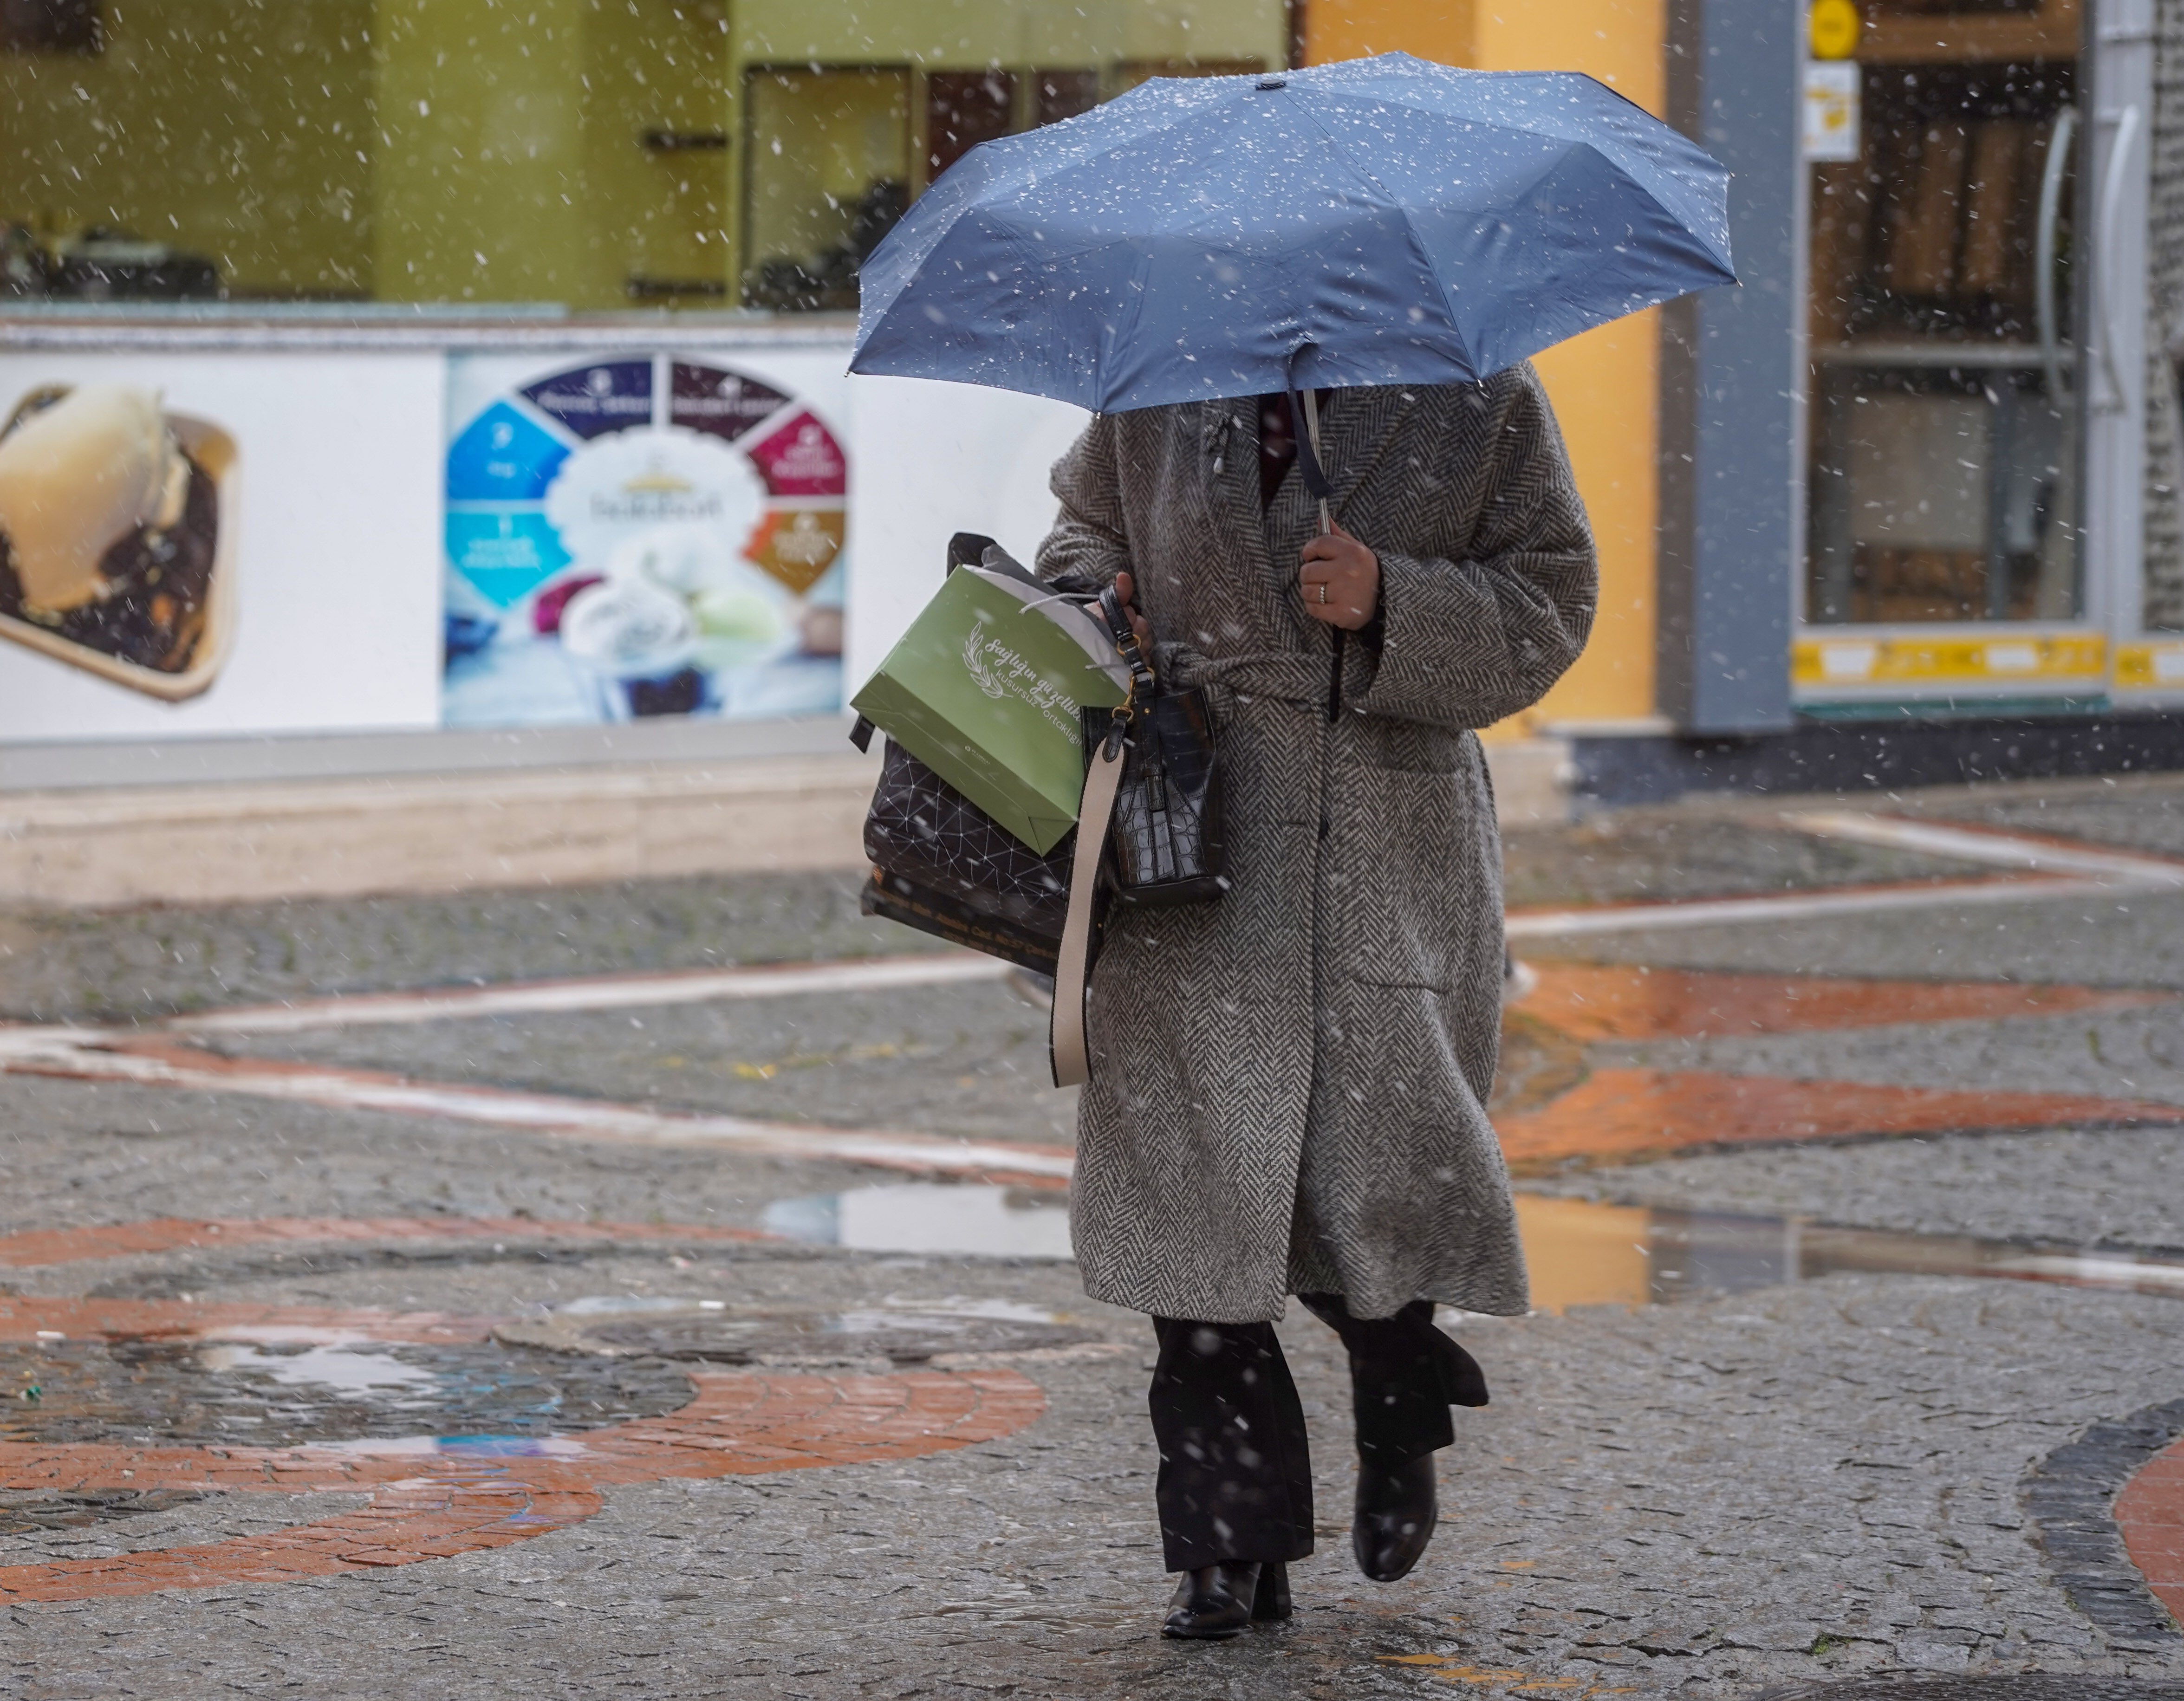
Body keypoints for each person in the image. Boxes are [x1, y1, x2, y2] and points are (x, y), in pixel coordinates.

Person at [1034, 370, 1598, 1639]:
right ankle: (1228, 1546)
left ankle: (1401, 1390)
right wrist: (1098, 597)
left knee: (1377, 1175)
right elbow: (1081, 531)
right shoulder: (1166, 377)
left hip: (1387, 840)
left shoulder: (1479, 393)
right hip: (1185, 821)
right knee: (1194, 1199)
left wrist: (1398, 598)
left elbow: (1554, 596)